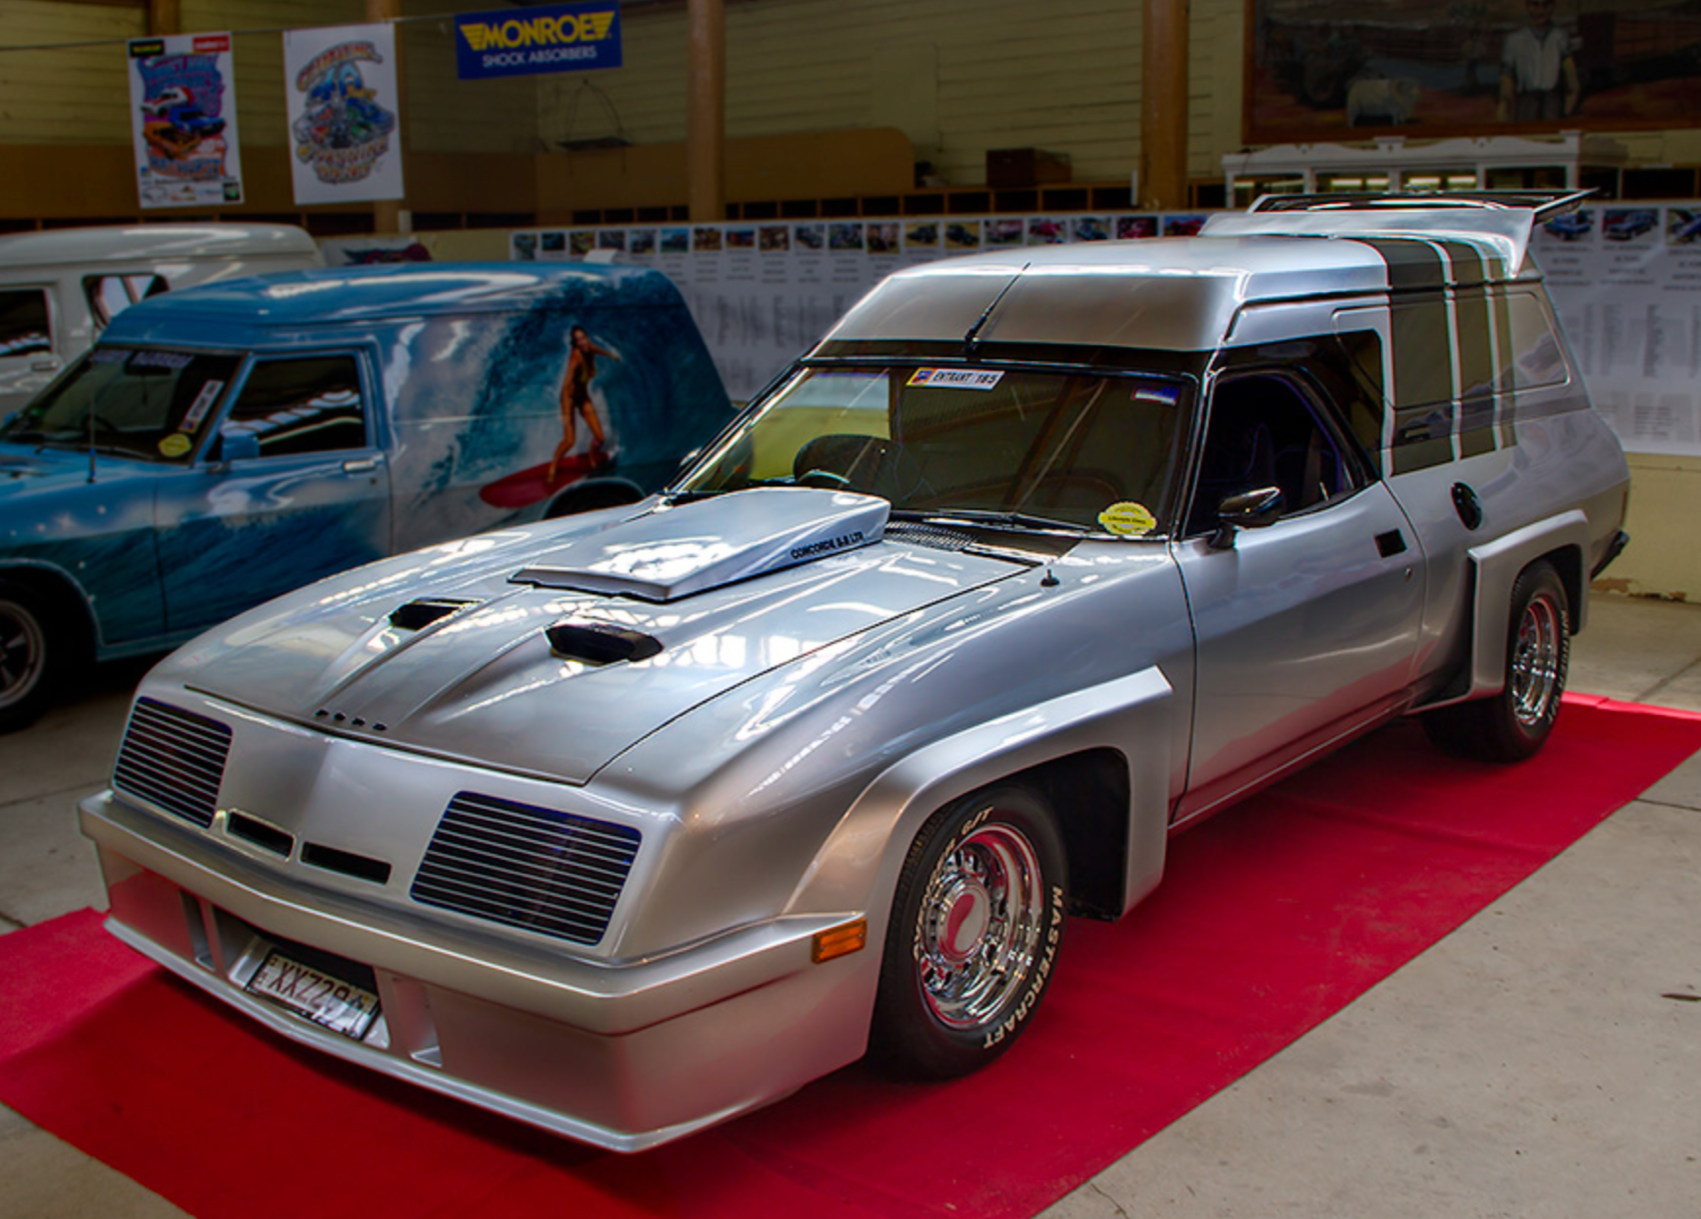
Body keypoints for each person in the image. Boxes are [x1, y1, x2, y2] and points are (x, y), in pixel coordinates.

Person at [549, 325, 620, 484]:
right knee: (569, 440)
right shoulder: (576, 356)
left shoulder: (590, 348)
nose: (582, 342)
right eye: (578, 340)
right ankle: (553, 467)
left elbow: (599, 351)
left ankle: (591, 457)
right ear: (575, 343)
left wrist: (614, 357)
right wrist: (565, 411)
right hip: (569, 398)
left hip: (583, 397)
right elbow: (567, 383)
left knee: (600, 438)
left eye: (583, 338)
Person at [1498, 0, 1580, 122]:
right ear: (1528, 6)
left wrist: (1566, 112)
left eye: (1546, 5)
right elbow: (1506, 89)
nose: (1540, 11)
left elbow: (1572, 83)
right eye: (1535, 5)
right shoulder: (1514, 41)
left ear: (1552, 7)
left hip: (1552, 103)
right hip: (1526, 104)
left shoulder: (1560, 37)